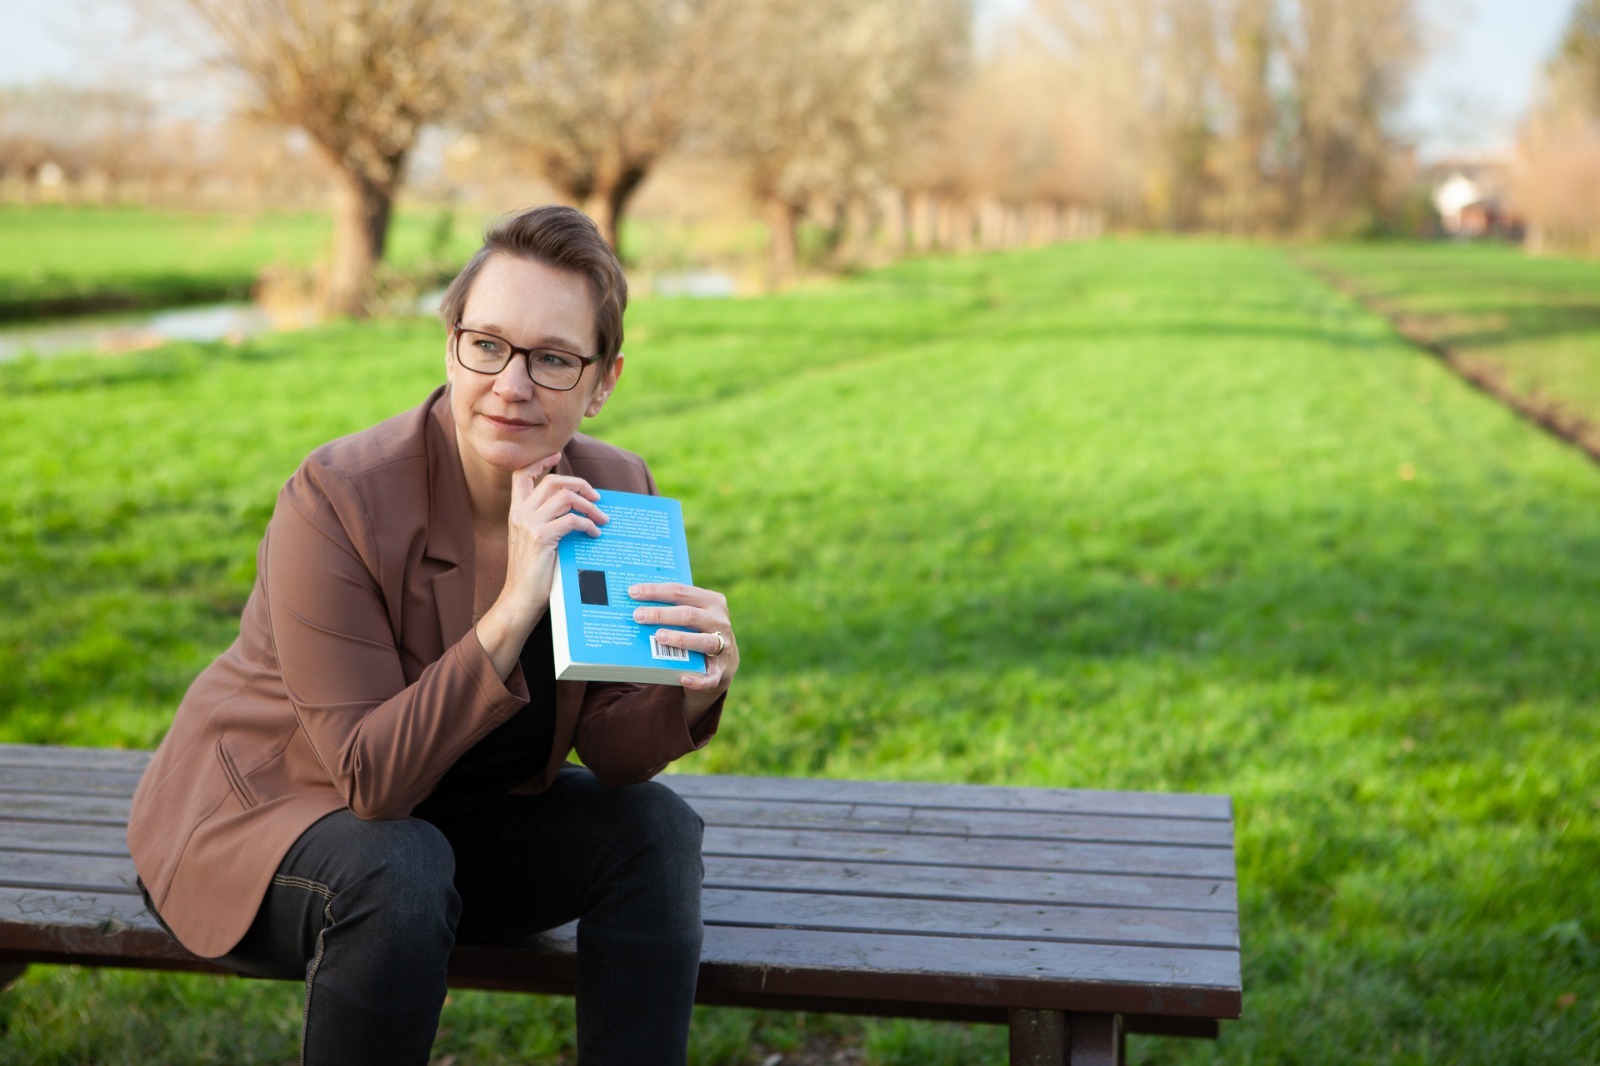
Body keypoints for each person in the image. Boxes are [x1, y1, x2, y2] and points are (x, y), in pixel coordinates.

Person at [127, 205, 737, 1065]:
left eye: (553, 359)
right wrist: (516, 604)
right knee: (401, 864)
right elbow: (372, 781)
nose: (511, 384)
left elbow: (610, 749)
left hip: (459, 833)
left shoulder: (613, 488)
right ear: (449, 344)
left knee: (655, 831)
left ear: (603, 381)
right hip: (272, 828)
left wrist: (693, 686)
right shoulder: (338, 498)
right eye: (486, 344)